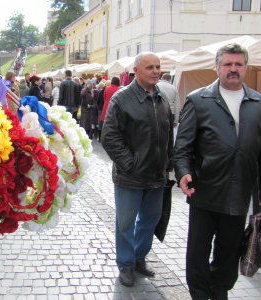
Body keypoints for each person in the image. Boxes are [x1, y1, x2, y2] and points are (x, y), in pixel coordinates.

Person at [173, 43, 261, 300]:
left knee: (229, 251)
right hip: (205, 190)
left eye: (238, 64)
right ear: (217, 67)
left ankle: (220, 290)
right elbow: (182, 147)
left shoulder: (257, 102)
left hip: (239, 193)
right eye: (228, 64)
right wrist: (183, 172)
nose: (233, 69)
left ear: (246, 67)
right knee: (198, 251)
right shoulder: (199, 100)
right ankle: (200, 294)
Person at [101, 52, 173, 287]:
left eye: (158, 67)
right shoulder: (122, 98)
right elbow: (109, 137)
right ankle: (125, 264)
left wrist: (168, 165)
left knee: (149, 221)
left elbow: (168, 135)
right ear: (136, 70)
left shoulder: (161, 98)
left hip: (156, 176)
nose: (156, 71)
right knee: (125, 223)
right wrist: (130, 165)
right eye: (150, 67)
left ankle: (139, 258)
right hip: (129, 177)